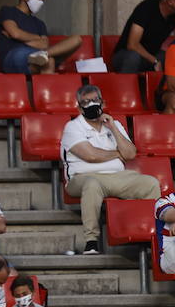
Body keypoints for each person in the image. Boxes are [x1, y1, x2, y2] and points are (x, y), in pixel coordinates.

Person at [61, 85, 161, 255]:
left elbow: (130, 154)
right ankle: (91, 241)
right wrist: (117, 154)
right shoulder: (73, 127)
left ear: (102, 102)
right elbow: (91, 156)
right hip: (82, 178)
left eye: (94, 100)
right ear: (79, 107)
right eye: (85, 102)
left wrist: (113, 128)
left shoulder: (114, 125)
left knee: (150, 184)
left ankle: (155, 235)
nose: (91, 104)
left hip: (118, 177)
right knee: (92, 184)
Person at [0, 0, 82, 74]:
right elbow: (15, 33)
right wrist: (37, 38)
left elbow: (44, 44)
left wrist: (19, 39)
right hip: (13, 56)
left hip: (37, 57)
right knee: (48, 60)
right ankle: (43, 57)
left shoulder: (39, 23)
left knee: (76, 39)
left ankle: (43, 56)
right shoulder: (8, 11)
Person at [112, 0, 175, 73]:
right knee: (133, 57)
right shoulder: (146, 8)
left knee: (173, 57)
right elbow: (132, 45)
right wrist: (155, 61)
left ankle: (167, 87)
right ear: (170, 2)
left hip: (150, 55)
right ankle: (126, 86)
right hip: (125, 56)